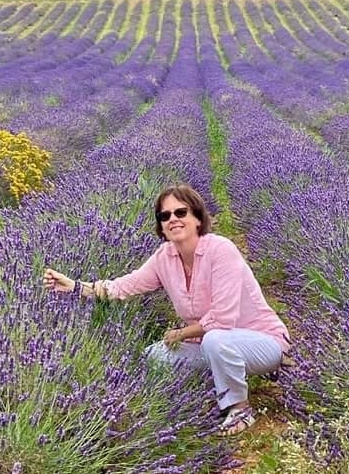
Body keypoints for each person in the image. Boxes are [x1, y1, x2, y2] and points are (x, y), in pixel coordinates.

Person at [43, 184, 290, 435]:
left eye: (180, 212)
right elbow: (125, 286)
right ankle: (219, 381)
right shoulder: (165, 257)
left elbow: (223, 318)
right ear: (161, 226)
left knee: (216, 340)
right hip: (209, 344)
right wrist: (75, 286)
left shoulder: (220, 250)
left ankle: (239, 409)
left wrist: (182, 333)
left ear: (197, 218)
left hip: (261, 341)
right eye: (165, 216)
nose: (173, 219)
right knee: (155, 356)